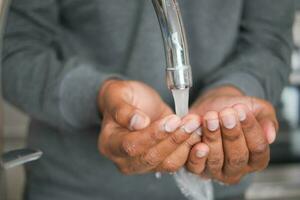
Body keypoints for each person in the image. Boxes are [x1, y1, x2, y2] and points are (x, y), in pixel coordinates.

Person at [1, 0, 293, 199]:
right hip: (74, 190)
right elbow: (15, 52)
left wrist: (234, 93)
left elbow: (267, 41)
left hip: (216, 189)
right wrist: (99, 96)